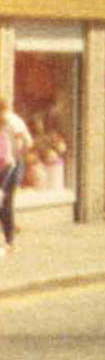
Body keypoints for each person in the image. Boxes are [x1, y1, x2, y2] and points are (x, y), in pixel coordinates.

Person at [0, 98, 33, 256]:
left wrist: (16, 156)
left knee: (5, 202)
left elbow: (27, 142)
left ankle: (9, 241)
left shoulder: (13, 122)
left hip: (12, 165)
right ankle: (11, 228)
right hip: (2, 163)